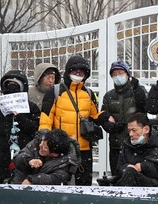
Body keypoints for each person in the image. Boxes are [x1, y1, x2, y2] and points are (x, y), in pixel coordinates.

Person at [39, 55, 112, 186]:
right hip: (62, 147)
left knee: (84, 183)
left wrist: (106, 117)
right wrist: (44, 138)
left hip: (84, 148)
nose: (78, 74)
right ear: (68, 72)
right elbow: (46, 117)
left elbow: (94, 114)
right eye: (75, 71)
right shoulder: (55, 92)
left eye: (81, 72)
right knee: (61, 181)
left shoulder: (88, 94)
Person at [100, 60, 147, 175]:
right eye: (114, 74)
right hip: (116, 146)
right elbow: (103, 117)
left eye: (120, 73)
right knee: (117, 177)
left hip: (135, 144)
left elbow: (144, 112)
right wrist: (112, 127)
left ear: (127, 74)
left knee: (135, 177)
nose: (118, 76)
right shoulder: (109, 96)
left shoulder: (136, 92)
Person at [112, 113, 158, 187]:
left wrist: (143, 166)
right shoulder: (127, 148)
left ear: (146, 129)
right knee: (129, 172)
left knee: (130, 173)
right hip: (129, 183)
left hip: (153, 189)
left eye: (134, 130)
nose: (131, 134)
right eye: (129, 131)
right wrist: (127, 167)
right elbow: (119, 170)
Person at [12, 129, 78, 185]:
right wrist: (28, 160)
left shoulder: (67, 162)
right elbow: (19, 158)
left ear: (54, 154)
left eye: (45, 147)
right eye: (42, 142)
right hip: (19, 181)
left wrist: (31, 180)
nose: (40, 145)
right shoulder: (38, 141)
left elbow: (52, 179)